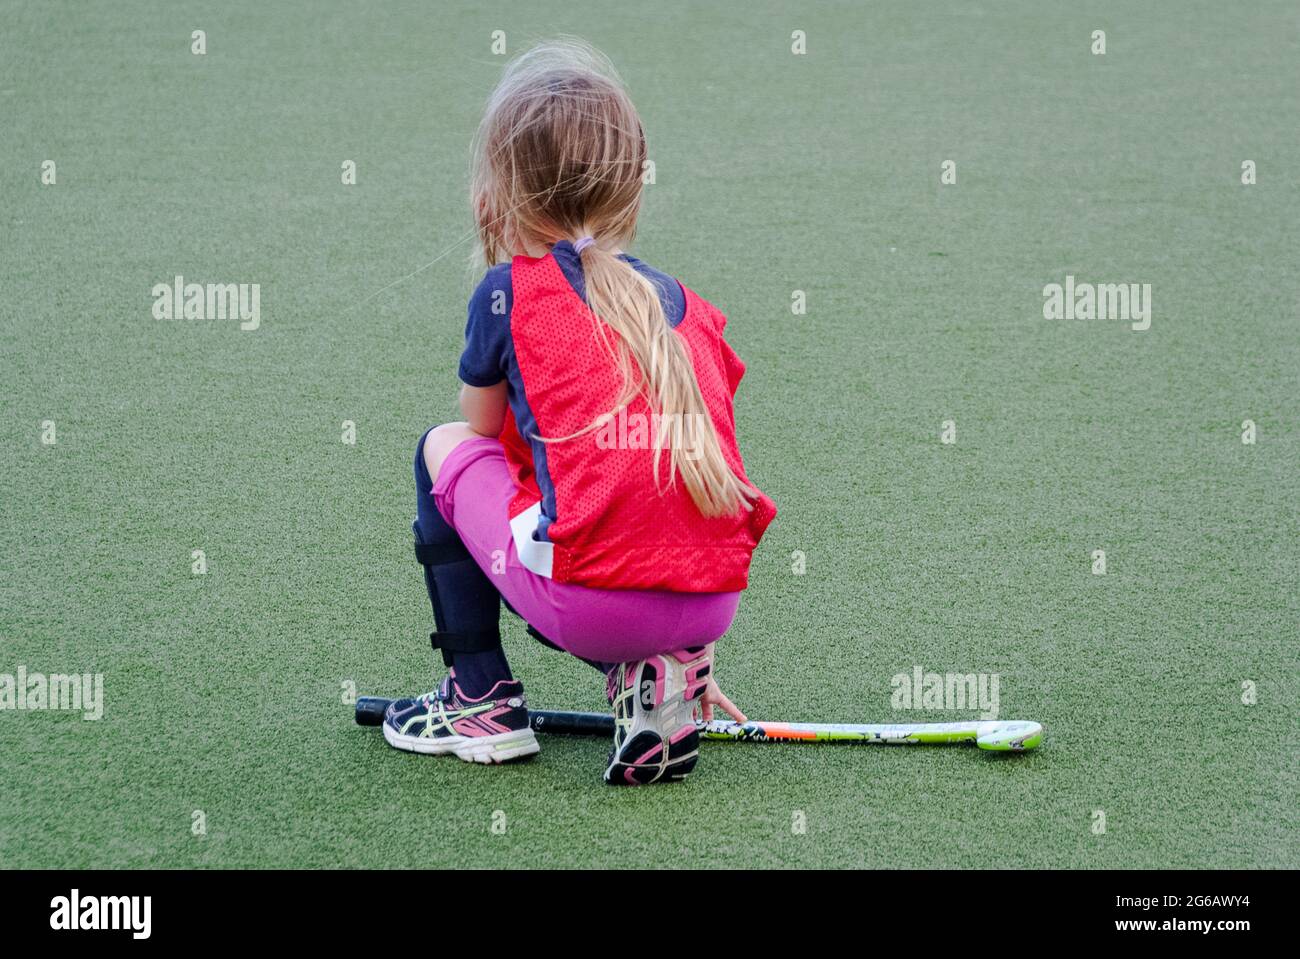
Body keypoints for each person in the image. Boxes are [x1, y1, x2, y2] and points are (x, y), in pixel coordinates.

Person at [383, 38, 776, 785]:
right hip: (711, 602)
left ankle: (481, 700)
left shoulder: (506, 292)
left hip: (594, 608)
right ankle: (662, 672)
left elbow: (478, 424)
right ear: (631, 188)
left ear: (499, 192)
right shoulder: (688, 306)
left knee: (441, 449)